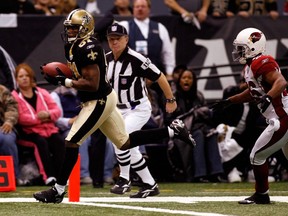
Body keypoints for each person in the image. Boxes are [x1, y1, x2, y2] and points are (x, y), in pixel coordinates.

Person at [33, 9, 195, 204]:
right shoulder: (79, 46)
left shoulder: (89, 48)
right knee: (124, 143)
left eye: (74, 28)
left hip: (99, 100)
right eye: (68, 28)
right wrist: (68, 78)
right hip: (108, 99)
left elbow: (92, 84)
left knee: (71, 141)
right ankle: (172, 131)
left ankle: (58, 190)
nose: (69, 32)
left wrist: (65, 81)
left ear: (84, 29)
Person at [211, 27, 288, 204]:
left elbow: (281, 82)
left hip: (283, 118)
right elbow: (253, 92)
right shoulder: (251, 67)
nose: (238, 52)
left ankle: (261, 195)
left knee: (257, 156)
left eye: (242, 48)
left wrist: (269, 97)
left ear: (254, 46)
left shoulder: (260, 62)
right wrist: (230, 100)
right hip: (282, 117)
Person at [106, 23, 177, 198]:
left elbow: (159, 76)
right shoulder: (106, 59)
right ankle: (150, 184)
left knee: (121, 140)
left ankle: (124, 179)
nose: (114, 42)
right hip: (117, 109)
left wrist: (170, 99)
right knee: (132, 149)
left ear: (126, 39)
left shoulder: (137, 58)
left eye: (118, 38)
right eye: (111, 39)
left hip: (137, 107)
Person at [165, 68, 223, 182]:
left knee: (211, 133)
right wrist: (193, 115)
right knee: (198, 135)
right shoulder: (173, 97)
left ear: (194, 81)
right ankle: (199, 174)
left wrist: (202, 113)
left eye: (190, 78)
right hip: (178, 133)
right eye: (184, 78)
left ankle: (216, 173)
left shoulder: (199, 96)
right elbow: (169, 120)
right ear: (179, 80)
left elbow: (207, 116)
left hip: (199, 128)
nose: (187, 80)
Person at [11, 63, 66, 186]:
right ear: (16, 79)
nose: (24, 78)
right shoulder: (14, 96)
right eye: (21, 76)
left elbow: (56, 111)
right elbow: (21, 118)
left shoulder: (42, 92)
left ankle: (62, 176)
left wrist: (47, 114)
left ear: (31, 77)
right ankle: (49, 176)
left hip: (49, 129)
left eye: (27, 75)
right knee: (39, 143)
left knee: (59, 141)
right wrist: (41, 118)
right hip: (27, 133)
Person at [119, 0, 175, 79]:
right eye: (137, 7)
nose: (140, 9)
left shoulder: (160, 27)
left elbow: (168, 53)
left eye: (143, 6)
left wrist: (169, 73)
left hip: (155, 76)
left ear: (149, 9)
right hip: (131, 76)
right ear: (133, 9)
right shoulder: (124, 26)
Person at [0, 84, 22, 185]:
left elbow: (12, 107)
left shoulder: (2, 90)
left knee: (6, 139)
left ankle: (13, 178)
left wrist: (9, 121)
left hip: (3, 126)